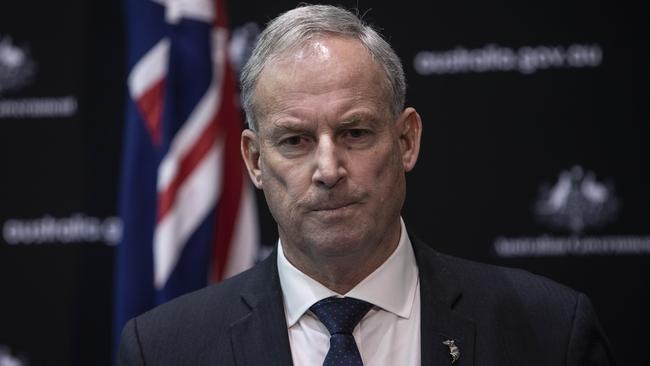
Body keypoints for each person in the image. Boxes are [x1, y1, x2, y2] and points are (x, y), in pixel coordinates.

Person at [117, 4, 615, 366]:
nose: (328, 169)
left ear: (406, 140)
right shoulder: (163, 349)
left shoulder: (549, 331)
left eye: (355, 133)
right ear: (254, 161)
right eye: (295, 140)